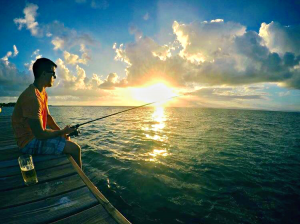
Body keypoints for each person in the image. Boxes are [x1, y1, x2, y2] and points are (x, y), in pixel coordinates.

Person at [11, 58, 82, 168]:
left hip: (36, 136)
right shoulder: (32, 97)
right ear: (44, 74)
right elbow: (40, 134)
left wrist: (62, 133)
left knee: (66, 139)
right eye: (53, 74)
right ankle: (81, 181)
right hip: (28, 143)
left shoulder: (42, 92)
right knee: (75, 149)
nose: (54, 77)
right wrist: (63, 131)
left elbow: (48, 117)